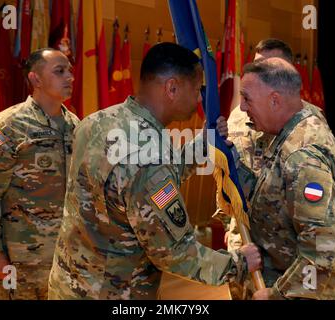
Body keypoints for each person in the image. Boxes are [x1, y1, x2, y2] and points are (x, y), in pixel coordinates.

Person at [47, 42, 262, 300]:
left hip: (68, 284)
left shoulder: (97, 121)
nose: (199, 99)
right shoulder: (150, 156)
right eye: (196, 89)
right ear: (171, 88)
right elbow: (177, 255)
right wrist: (239, 263)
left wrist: (202, 145)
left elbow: (137, 185)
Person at [0, 48, 79, 300]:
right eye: (59, 71)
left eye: (70, 71)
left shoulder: (75, 126)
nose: (69, 77)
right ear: (35, 79)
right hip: (21, 261)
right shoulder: (7, 126)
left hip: (67, 259)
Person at [235, 57, 335, 299]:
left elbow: (322, 248)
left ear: (275, 100)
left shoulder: (303, 157)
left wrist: (278, 295)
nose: (242, 107)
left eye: (247, 98)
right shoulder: (288, 126)